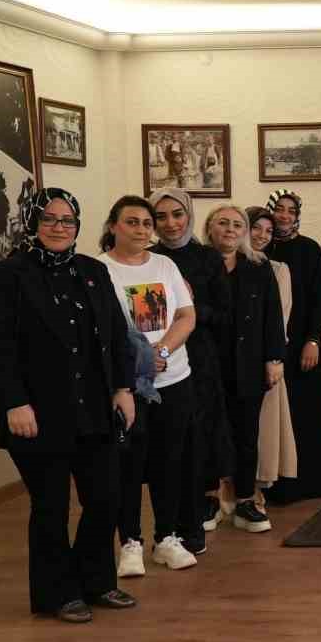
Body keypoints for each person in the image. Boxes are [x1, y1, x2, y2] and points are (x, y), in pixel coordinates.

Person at [0, 189, 137, 623]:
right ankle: (57, 594)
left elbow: (117, 336)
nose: (58, 227)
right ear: (32, 222)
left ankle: (96, 582)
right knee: (50, 507)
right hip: (38, 413)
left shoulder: (92, 271)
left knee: (105, 498)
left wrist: (124, 388)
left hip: (94, 408)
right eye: (48, 218)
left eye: (67, 220)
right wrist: (15, 402)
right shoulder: (6, 276)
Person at [97, 196, 200, 574]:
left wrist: (162, 350)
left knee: (168, 462)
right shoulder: (99, 270)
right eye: (132, 222)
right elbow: (101, 330)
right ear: (113, 226)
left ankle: (166, 538)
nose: (141, 229)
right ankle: (130, 542)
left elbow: (186, 315)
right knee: (128, 465)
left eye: (146, 223)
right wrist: (137, 363)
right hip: (127, 387)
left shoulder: (165, 265)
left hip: (173, 380)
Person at [149, 188, 230, 549]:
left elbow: (225, 314)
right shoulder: (149, 259)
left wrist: (191, 307)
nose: (170, 223)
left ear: (189, 215)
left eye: (177, 214)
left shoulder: (208, 258)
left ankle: (200, 507)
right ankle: (168, 521)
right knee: (166, 443)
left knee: (200, 436)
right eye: (161, 216)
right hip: (157, 362)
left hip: (200, 359)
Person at [203, 205, 286, 532]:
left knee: (247, 435)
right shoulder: (198, 264)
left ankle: (245, 501)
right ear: (209, 228)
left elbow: (272, 315)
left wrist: (274, 359)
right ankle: (210, 499)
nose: (230, 229)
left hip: (248, 363)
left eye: (237, 224)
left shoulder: (258, 266)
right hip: (207, 363)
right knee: (209, 433)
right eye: (222, 222)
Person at [263, 190, 321, 504]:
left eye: (291, 211)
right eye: (279, 209)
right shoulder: (260, 249)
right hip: (270, 348)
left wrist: (313, 339)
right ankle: (274, 486)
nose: (284, 216)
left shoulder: (309, 249)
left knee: (307, 414)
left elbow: (320, 300)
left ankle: (310, 484)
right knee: (275, 418)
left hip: (304, 346)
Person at [247, 208, 298, 498]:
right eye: (256, 228)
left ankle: (257, 493)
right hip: (231, 360)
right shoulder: (221, 263)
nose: (262, 236)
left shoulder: (278, 270)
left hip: (266, 357)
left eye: (268, 231)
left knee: (264, 429)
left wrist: (274, 358)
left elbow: (281, 319)